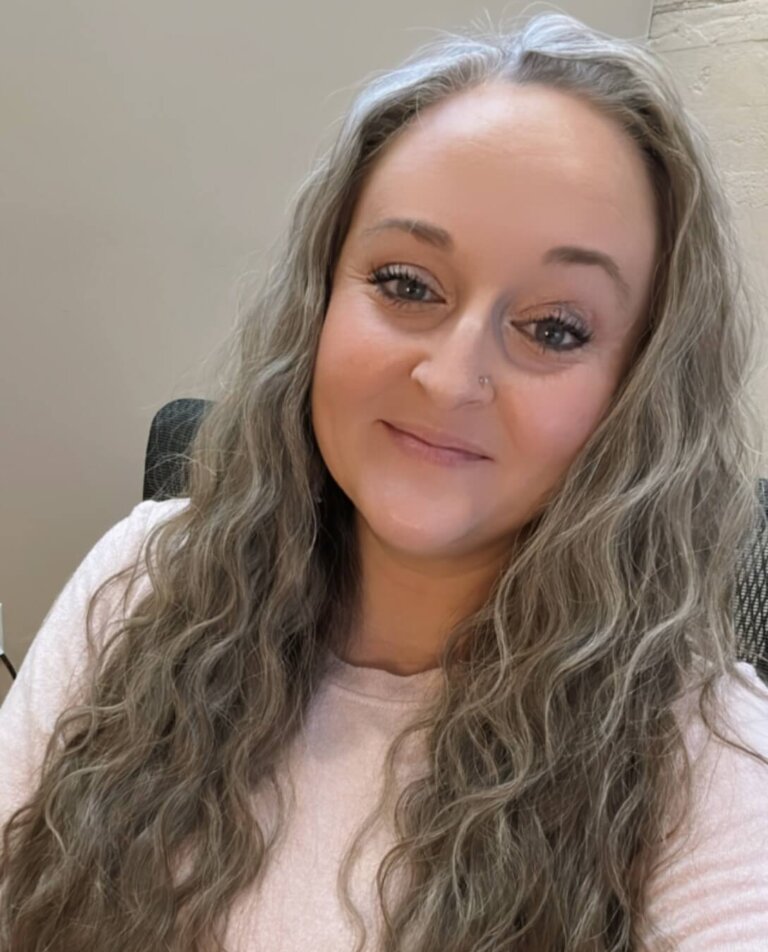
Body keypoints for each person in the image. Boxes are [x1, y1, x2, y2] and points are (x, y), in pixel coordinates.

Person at [1, 11, 767, 951]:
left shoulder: (703, 756)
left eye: (555, 328)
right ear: (322, 298)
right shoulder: (144, 577)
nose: (450, 378)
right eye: (407, 283)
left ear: (639, 388)